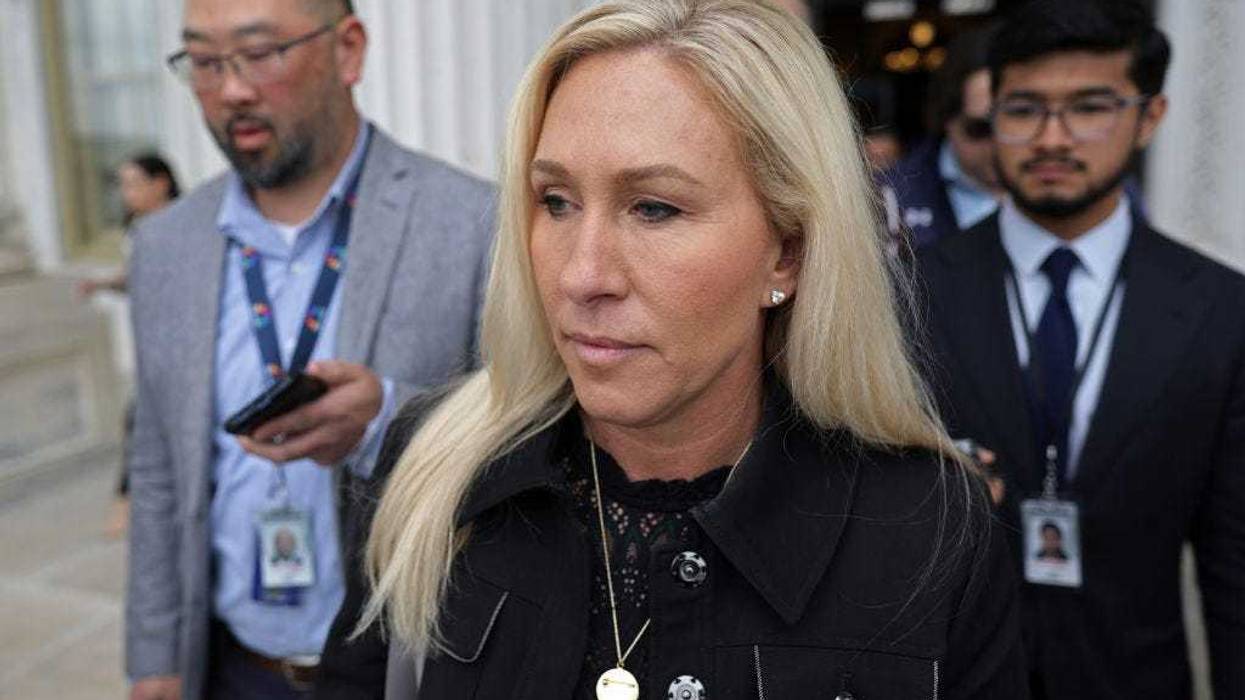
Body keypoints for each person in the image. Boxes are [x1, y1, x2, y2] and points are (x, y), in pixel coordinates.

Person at [315, 2, 1026, 698]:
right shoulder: (434, 473)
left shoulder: (929, 529)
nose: (582, 275)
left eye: (654, 208)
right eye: (556, 201)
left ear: (787, 251)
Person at [124, 0, 494, 698]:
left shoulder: (474, 222)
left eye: (261, 52)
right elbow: (157, 463)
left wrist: (387, 420)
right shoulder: (164, 245)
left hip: (403, 669)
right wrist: (154, 655)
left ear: (347, 50)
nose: (232, 89)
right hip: (229, 666)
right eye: (204, 62)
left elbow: (533, 439)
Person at [917, 1, 1245, 698]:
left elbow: (1234, 561)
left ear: (1149, 117)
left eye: (1089, 108)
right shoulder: (911, 292)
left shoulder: (1220, 309)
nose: (1051, 138)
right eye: (1023, 109)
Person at [76, 152, 182, 537]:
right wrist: (102, 284)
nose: (127, 193)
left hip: (179, 343)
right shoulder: (137, 229)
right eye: (122, 185)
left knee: (139, 418)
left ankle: (125, 501)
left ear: (161, 183)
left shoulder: (184, 225)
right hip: (148, 342)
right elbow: (137, 278)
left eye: (134, 183)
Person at [884, 27, 1003, 249]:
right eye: (979, 129)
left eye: (1015, 122)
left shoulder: (1060, 186)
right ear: (947, 119)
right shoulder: (890, 197)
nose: (999, 142)